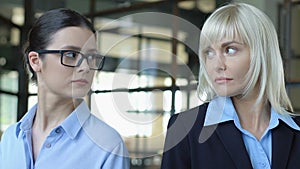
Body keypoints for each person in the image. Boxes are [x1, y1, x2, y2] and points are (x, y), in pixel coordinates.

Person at [161, 3, 300, 169]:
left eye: (230, 50)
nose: (217, 65)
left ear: (262, 53)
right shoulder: (184, 129)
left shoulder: (296, 130)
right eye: (209, 53)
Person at [0, 8, 129, 169]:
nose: (85, 67)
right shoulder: (10, 138)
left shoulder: (108, 146)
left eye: (91, 57)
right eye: (71, 54)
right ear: (35, 61)